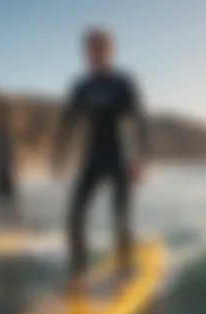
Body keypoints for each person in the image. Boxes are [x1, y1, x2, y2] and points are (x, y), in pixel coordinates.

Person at [52, 27, 151, 293]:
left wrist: (141, 159)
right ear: (86, 52)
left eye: (101, 47)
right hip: (92, 158)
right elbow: (67, 123)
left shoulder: (123, 82)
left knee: (120, 217)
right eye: (91, 48)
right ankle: (80, 273)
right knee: (74, 215)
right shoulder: (81, 86)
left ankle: (125, 271)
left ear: (110, 50)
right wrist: (59, 158)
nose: (96, 52)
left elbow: (141, 122)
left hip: (121, 156)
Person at [0, 102, 20, 227]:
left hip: (6, 170)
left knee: (10, 197)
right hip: (0, 170)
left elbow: (11, 155)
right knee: (0, 197)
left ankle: (14, 220)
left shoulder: (6, 135)